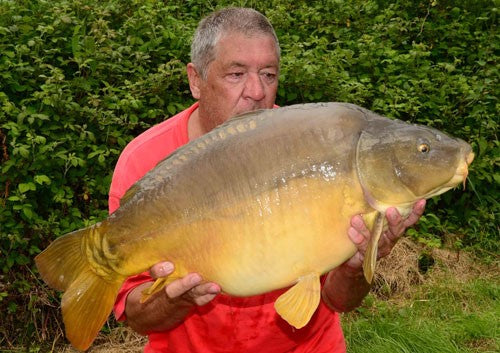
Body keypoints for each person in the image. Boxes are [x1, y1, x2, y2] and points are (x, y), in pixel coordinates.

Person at [108, 7, 425, 353]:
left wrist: (358, 261)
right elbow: (135, 314)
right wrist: (175, 301)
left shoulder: (317, 144)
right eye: (236, 74)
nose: (257, 91)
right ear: (195, 80)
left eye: (269, 74)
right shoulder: (146, 161)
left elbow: (338, 301)